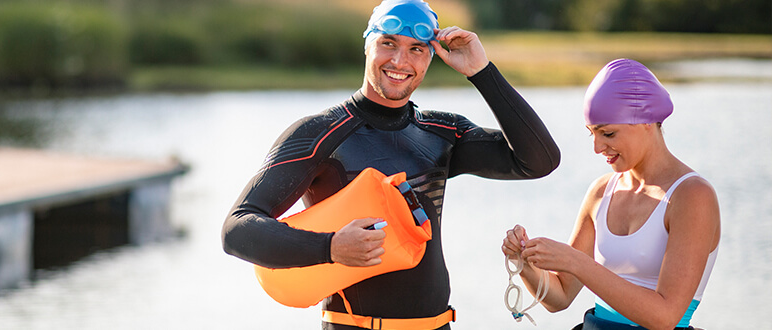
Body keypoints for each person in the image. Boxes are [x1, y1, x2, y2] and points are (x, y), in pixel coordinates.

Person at [221, 0, 560, 328]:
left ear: (431, 57)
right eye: (388, 43)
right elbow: (237, 228)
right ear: (367, 45)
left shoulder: (442, 134)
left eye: (416, 49)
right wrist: (330, 247)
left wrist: (482, 72)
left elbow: (540, 161)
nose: (400, 60)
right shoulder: (321, 134)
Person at [501, 58, 720, 330]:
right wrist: (524, 263)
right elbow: (559, 297)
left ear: (646, 121)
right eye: (591, 133)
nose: (597, 147)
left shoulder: (692, 196)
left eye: (608, 133)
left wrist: (578, 263)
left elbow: (665, 318)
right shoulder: (602, 191)